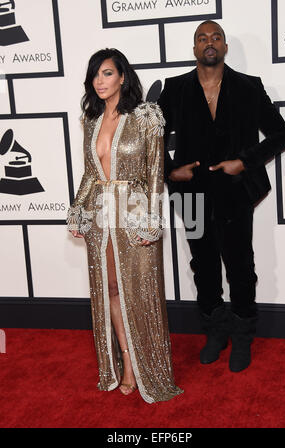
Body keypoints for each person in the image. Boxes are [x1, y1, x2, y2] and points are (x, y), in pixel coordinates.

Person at [158, 21, 285, 372]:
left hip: (235, 193)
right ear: (195, 49)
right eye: (202, 38)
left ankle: (243, 335)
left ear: (225, 47)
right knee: (203, 267)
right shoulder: (175, 89)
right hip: (191, 195)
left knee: (241, 268)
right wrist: (171, 169)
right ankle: (215, 332)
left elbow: (280, 134)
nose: (209, 42)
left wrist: (244, 162)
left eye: (215, 37)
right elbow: (150, 137)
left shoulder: (249, 87)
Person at [67, 48, 183, 403]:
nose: (99, 81)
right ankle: (126, 363)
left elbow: (154, 174)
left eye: (106, 73)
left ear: (122, 77)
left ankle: (149, 368)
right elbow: (90, 174)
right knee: (111, 291)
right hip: (101, 216)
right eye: (95, 75)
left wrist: (150, 221)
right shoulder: (90, 120)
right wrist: (78, 212)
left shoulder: (146, 117)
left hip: (134, 215)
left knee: (141, 293)